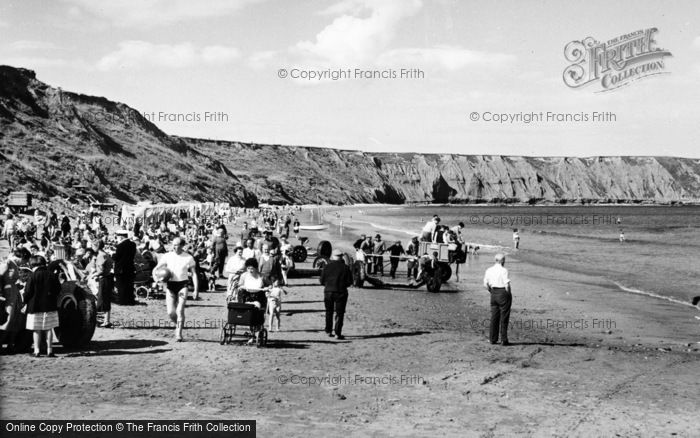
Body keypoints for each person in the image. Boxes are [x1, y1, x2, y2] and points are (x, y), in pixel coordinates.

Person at [153, 237, 199, 342]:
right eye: (173, 244)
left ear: (182, 246)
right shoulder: (167, 256)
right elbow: (156, 269)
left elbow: (194, 274)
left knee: (180, 310)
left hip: (183, 286)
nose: (174, 246)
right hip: (170, 286)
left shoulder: (188, 257)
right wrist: (156, 279)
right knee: (170, 312)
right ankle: (178, 324)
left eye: (177, 244)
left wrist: (196, 290)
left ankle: (179, 333)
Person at [23, 256, 61, 357]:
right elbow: (58, 290)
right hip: (50, 305)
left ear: (33, 264)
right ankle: (50, 350)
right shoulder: (52, 275)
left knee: (36, 330)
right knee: (49, 329)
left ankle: (37, 350)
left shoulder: (33, 276)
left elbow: (28, 292)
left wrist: (25, 301)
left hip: (34, 306)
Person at [319, 249, 353, 340]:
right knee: (339, 313)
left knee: (328, 312)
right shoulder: (345, 268)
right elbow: (350, 282)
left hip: (328, 291)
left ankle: (328, 331)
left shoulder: (327, 267)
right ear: (341, 257)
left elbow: (321, 281)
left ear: (332, 257)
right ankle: (338, 333)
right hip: (341, 292)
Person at [237, 258, 270, 344]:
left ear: (256, 268)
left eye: (252, 268)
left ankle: (256, 332)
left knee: (257, 314)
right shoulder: (244, 276)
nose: (250, 270)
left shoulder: (262, 276)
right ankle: (251, 334)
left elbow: (270, 285)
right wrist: (241, 287)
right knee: (248, 314)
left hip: (259, 296)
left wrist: (266, 288)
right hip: (247, 296)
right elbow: (240, 285)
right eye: (248, 268)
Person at [483, 253, 512, 346]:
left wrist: (491, 291)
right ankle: (504, 339)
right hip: (502, 292)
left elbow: (485, 284)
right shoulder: (504, 270)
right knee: (504, 317)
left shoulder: (489, 270)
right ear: (503, 261)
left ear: (495, 260)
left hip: (494, 293)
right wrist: (509, 294)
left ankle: (492, 339)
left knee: (494, 317)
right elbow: (507, 284)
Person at [0, 249, 23, 353]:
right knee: (8, 319)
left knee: (14, 319)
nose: (23, 262)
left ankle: (10, 344)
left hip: (13, 292)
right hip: (8, 293)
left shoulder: (13, 264)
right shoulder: (8, 262)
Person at [89, 240, 114, 328]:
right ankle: (106, 320)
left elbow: (101, 270)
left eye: (93, 246)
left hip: (104, 279)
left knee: (101, 299)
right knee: (106, 299)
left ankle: (102, 320)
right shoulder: (105, 254)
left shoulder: (100, 256)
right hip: (108, 278)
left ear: (96, 246)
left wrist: (93, 275)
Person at [113, 231, 136, 305]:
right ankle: (130, 300)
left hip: (121, 268)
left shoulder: (120, 246)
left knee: (121, 285)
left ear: (121, 237)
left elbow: (117, 257)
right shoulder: (133, 244)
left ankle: (122, 301)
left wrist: (112, 254)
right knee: (129, 285)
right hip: (130, 267)